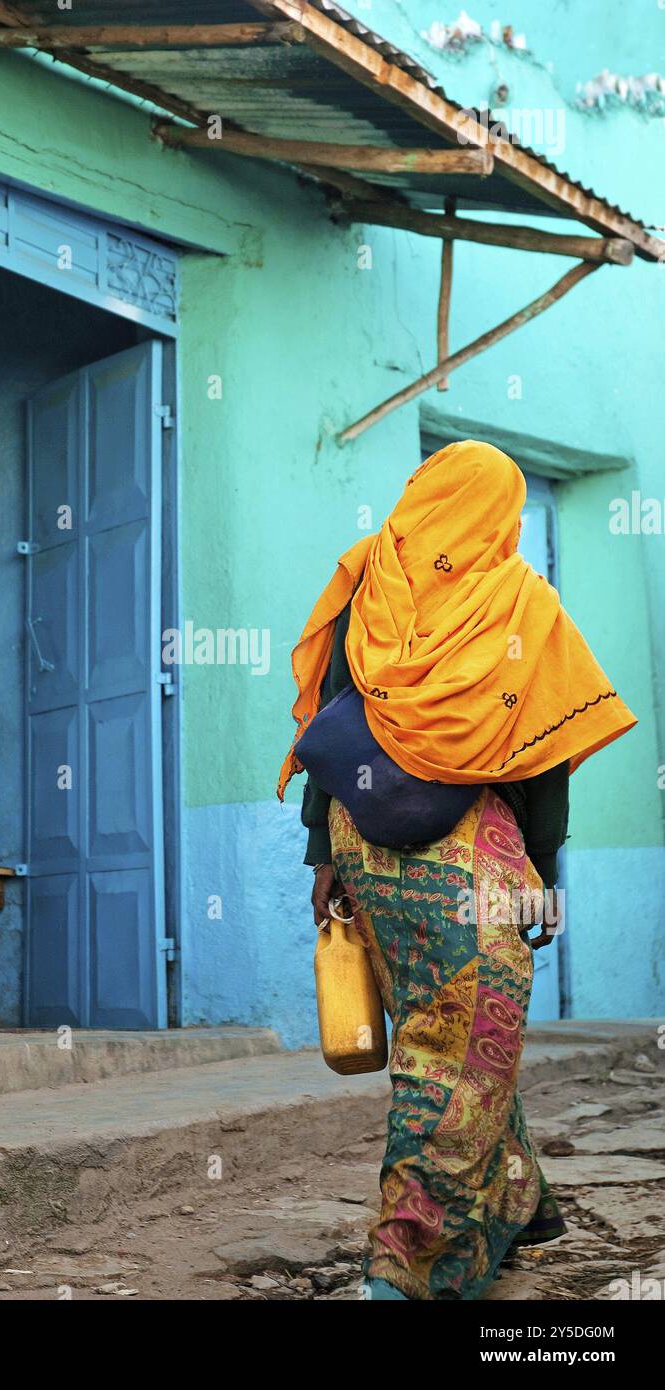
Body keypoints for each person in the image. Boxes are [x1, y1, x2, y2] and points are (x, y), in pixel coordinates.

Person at [277, 440, 637, 1301]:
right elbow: (541, 759)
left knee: (453, 1028)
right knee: (461, 1048)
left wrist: (323, 854)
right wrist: (544, 874)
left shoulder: (369, 581)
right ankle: (406, 1262)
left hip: (364, 837)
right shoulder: (517, 600)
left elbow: (333, 718)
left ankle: (515, 1206)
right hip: (472, 850)